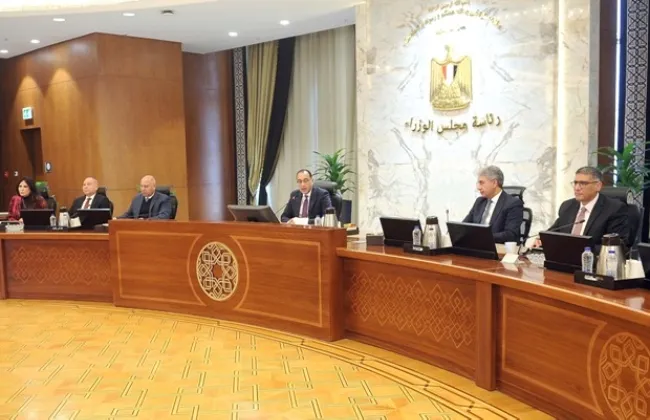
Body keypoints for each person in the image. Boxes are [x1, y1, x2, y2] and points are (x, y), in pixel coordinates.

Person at [535, 166, 628, 247]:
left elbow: (616, 246)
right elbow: (554, 232)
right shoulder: (567, 206)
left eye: (583, 183)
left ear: (598, 186)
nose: (577, 188)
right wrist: (542, 240)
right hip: (564, 258)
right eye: (575, 183)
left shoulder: (614, 209)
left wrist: (580, 250)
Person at [462, 166, 523, 243]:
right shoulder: (479, 202)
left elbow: (510, 234)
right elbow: (464, 226)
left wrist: (483, 237)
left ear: (494, 183)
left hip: (497, 247)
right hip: (476, 245)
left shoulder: (513, 204)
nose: (478, 187)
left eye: (481, 183)